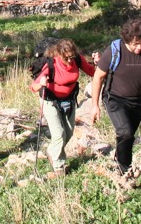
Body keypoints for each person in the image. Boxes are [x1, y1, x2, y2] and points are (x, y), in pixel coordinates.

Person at [88, 19, 141, 180]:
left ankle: (119, 160)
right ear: (126, 40)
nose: (139, 48)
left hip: (137, 100)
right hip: (114, 98)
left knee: (129, 137)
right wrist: (94, 105)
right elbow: (98, 78)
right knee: (125, 132)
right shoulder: (114, 50)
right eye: (135, 44)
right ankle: (125, 173)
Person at [30, 39, 97, 175]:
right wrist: (41, 83)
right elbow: (34, 87)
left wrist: (99, 64)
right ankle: (58, 165)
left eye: (72, 57)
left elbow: (92, 72)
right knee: (59, 134)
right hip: (51, 101)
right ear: (60, 54)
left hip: (69, 100)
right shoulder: (51, 64)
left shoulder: (77, 59)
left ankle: (51, 151)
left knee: (69, 133)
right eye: (67, 58)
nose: (70, 60)